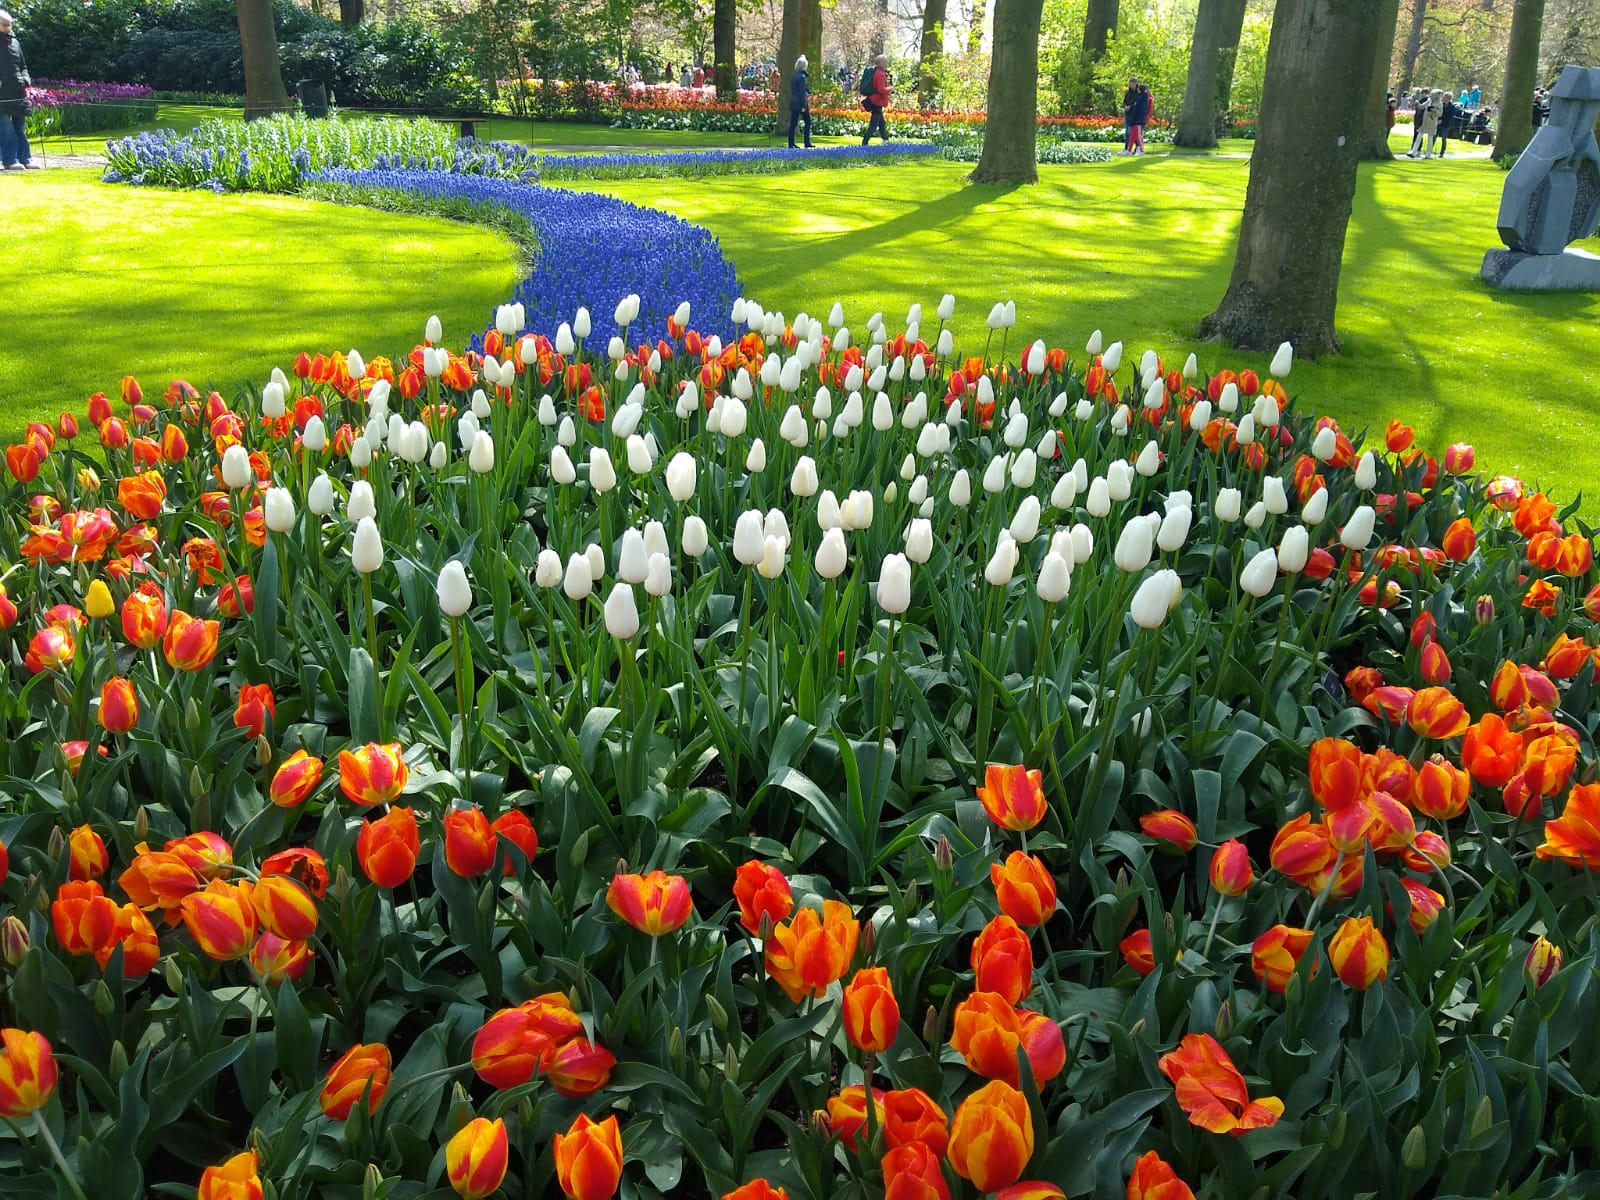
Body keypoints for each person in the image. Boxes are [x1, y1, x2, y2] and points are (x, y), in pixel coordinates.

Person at [0, 8, 37, 172]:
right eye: (4, 25)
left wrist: (25, 80)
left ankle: (26, 158)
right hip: (1, 94)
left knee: (19, 128)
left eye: (9, 25)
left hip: (18, 92)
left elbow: (23, 66)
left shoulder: (15, 42)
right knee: (6, 129)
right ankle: (10, 160)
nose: (8, 28)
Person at [862, 54, 890, 144]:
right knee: (874, 124)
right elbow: (881, 89)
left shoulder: (875, 72)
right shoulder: (880, 74)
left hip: (874, 100)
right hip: (877, 102)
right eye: (885, 61)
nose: (887, 63)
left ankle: (886, 140)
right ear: (881, 63)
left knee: (881, 123)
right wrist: (890, 88)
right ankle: (865, 141)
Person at [788, 54, 813, 149]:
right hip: (800, 102)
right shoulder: (802, 77)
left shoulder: (794, 76)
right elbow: (802, 92)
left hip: (793, 102)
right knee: (808, 121)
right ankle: (807, 142)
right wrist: (804, 105)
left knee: (793, 123)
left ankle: (791, 143)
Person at [1127, 81, 1153, 155]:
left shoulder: (1141, 99)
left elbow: (1138, 110)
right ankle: (1129, 149)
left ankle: (1141, 149)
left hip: (1138, 120)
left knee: (1138, 135)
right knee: (1133, 135)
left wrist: (1133, 119)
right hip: (1139, 120)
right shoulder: (1145, 98)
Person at [1433, 91, 1460, 157]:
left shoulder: (1452, 107)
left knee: (1444, 139)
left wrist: (1442, 121)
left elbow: (1450, 117)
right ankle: (1429, 150)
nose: (1443, 98)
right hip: (1438, 124)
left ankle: (1442, 152)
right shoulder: (1441, 105)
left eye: (1445, 97)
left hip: (1446, 125)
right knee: (1434, 137)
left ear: (1448, 98)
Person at [1121, 77, 1140, 154]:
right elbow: (1124, 101)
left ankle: (1137, 147)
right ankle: (1126, 148)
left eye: (1132, 84)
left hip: (1134, 115)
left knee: (1131, 132)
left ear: (1136, 84)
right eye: (1130, 84)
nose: (1131, 86)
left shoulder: (1138, 93)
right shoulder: (1128, 93)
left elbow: (1137, 104)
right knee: (1127, 132)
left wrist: (1130, 107)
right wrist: (1125, 106)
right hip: (1128, 114)